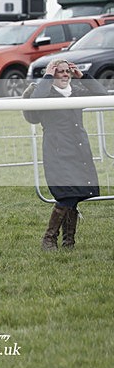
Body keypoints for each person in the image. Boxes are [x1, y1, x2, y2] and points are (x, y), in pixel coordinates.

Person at [26, 58, 108, 251]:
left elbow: (102, 95)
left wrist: (83, 76)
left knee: (77, 193)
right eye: (59, 71)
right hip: (57, 150)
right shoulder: (45, 92)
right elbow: (33, 106)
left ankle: (68, 242)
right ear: (51, 74)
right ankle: (49, 239)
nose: (64, 75)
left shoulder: (76, 91)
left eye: (67, 71)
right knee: (66, 194)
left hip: (79, 148)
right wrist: (47, 76)